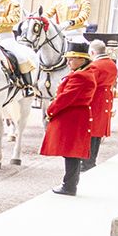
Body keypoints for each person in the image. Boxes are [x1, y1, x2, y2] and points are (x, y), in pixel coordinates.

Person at [43, 39, 97, 196]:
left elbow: (64, 98)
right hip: (76, 116)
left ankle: (69, 185)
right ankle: (69, 183)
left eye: (72, 58)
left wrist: (50, 111)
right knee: (71, 152)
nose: (68, 62)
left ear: (82, 59)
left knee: (71, 153)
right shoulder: (81, 73)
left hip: (73, 117)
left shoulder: (80, 76)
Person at [84, 39, 118, 172]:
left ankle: (87, 161)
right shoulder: (112, 64)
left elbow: (89, 83)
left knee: (89, 130)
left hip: (95, 99)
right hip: (105, 98)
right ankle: (91, 159)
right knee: (97, 133)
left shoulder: (95, 66)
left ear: (92, 52)